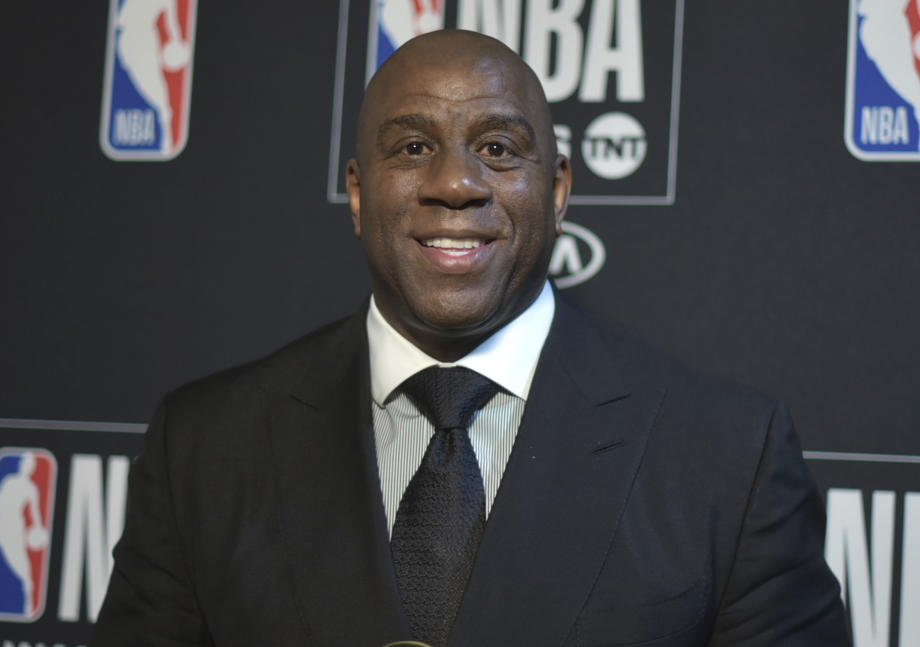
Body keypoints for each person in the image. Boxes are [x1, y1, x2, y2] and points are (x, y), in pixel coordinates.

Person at [91, 29, 849, 647]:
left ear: (556, 191)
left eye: (497, 147)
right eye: (413, 147)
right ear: (357, 192)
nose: (455, 183)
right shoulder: (203, 446)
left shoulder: (728, 455)